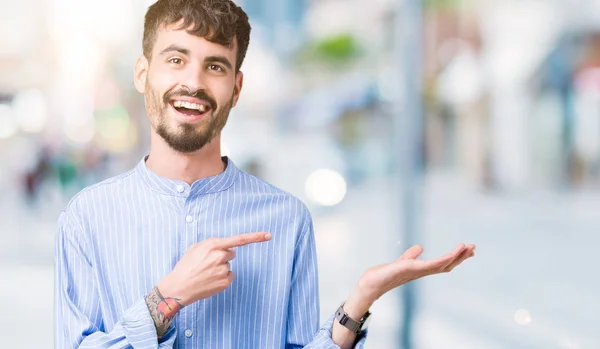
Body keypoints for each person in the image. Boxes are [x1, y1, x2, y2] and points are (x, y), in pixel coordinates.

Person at [54, 0, 476, 348]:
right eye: (176, 59)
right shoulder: (86, 219)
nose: (194, 82)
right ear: (143, 73)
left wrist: (359, 300)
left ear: (236, 89)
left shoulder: (286, 219)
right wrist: (167, 299)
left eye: (215, 67)